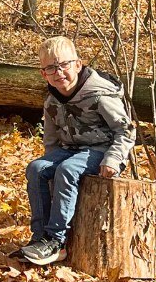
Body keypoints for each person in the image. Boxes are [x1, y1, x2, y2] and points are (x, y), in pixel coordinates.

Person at [21, 36, 136, 266]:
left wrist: (113, 159)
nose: (59, 72)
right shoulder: (52, 101)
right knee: (36, 168)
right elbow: (51, 142)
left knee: (67, 170)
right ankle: (40, 237)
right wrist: (48, 175)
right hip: (70, 150)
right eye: (51, 68)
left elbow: (126, 130)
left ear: (77, 64)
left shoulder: (99, 94)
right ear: (43, 73)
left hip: (103, 151)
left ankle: (56, 240)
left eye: (64, 65)